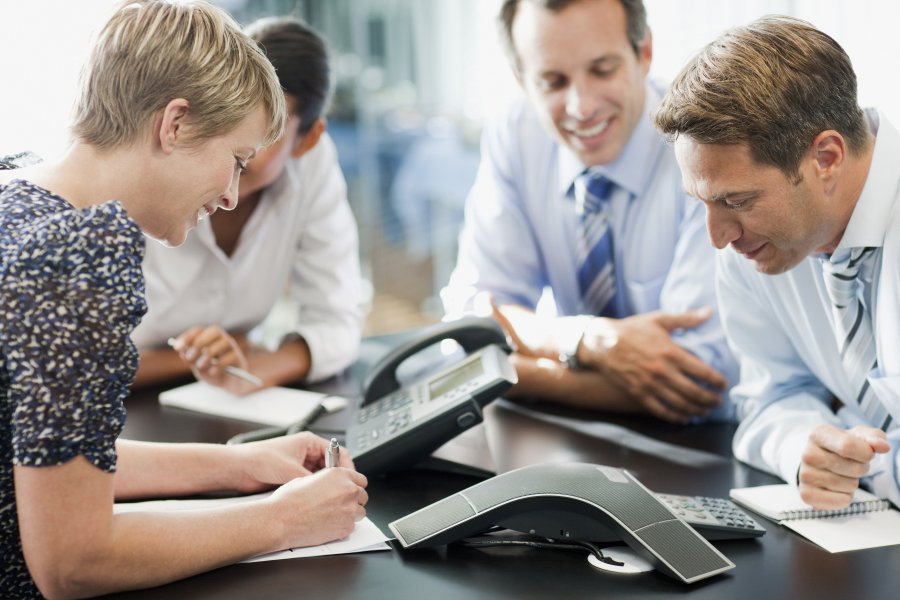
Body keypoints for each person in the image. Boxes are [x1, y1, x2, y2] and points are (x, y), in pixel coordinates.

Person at [0, 2, 367, 597]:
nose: (229, 194)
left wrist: (241, 465)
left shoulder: (18, 198)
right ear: (174, 124)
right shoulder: (81, 250)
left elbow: (55, 454)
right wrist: (284, 519)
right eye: (236, 160)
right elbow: (72, 559)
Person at [442, 0, 736, 423]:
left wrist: (513, 371)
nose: (581, 107)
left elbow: (699, 380)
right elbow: (471, 322)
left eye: (602, 70)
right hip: (569, 439)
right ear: (522, 80)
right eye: (554, 81)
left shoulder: (702, 147)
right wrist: (586, 339)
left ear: (644, 52)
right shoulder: (516, 133)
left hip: (705, 449)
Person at [654, 16, 899, 507]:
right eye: (702, 202)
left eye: (737, 200)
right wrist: (802, 446)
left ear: (826, 157)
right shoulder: (761, 247)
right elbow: (769, 395)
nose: (718, 237)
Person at [132, 16, 363, 395]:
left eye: (269, 130)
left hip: (225, 399)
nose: (240, 143)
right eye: (230, 118)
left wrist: (255, 370)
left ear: (307, 140)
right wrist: (211, 356)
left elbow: (338, 320)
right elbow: (77, 363)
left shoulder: (313, 165)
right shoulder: (157, 160)